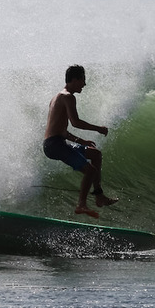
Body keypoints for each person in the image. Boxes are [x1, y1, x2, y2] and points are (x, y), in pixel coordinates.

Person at [43, 64, 119, 218]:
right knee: (90, 170)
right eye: (83, 80)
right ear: (75, 79)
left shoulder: (56, 97)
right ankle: (81, 205)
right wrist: (98, 128)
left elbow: (61, 130)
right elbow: (75, 122)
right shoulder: (68, 97)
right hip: (55, 145)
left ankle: (99, 195)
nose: (84, 84)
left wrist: (81, 140)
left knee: (96, 154)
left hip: (57, 142)